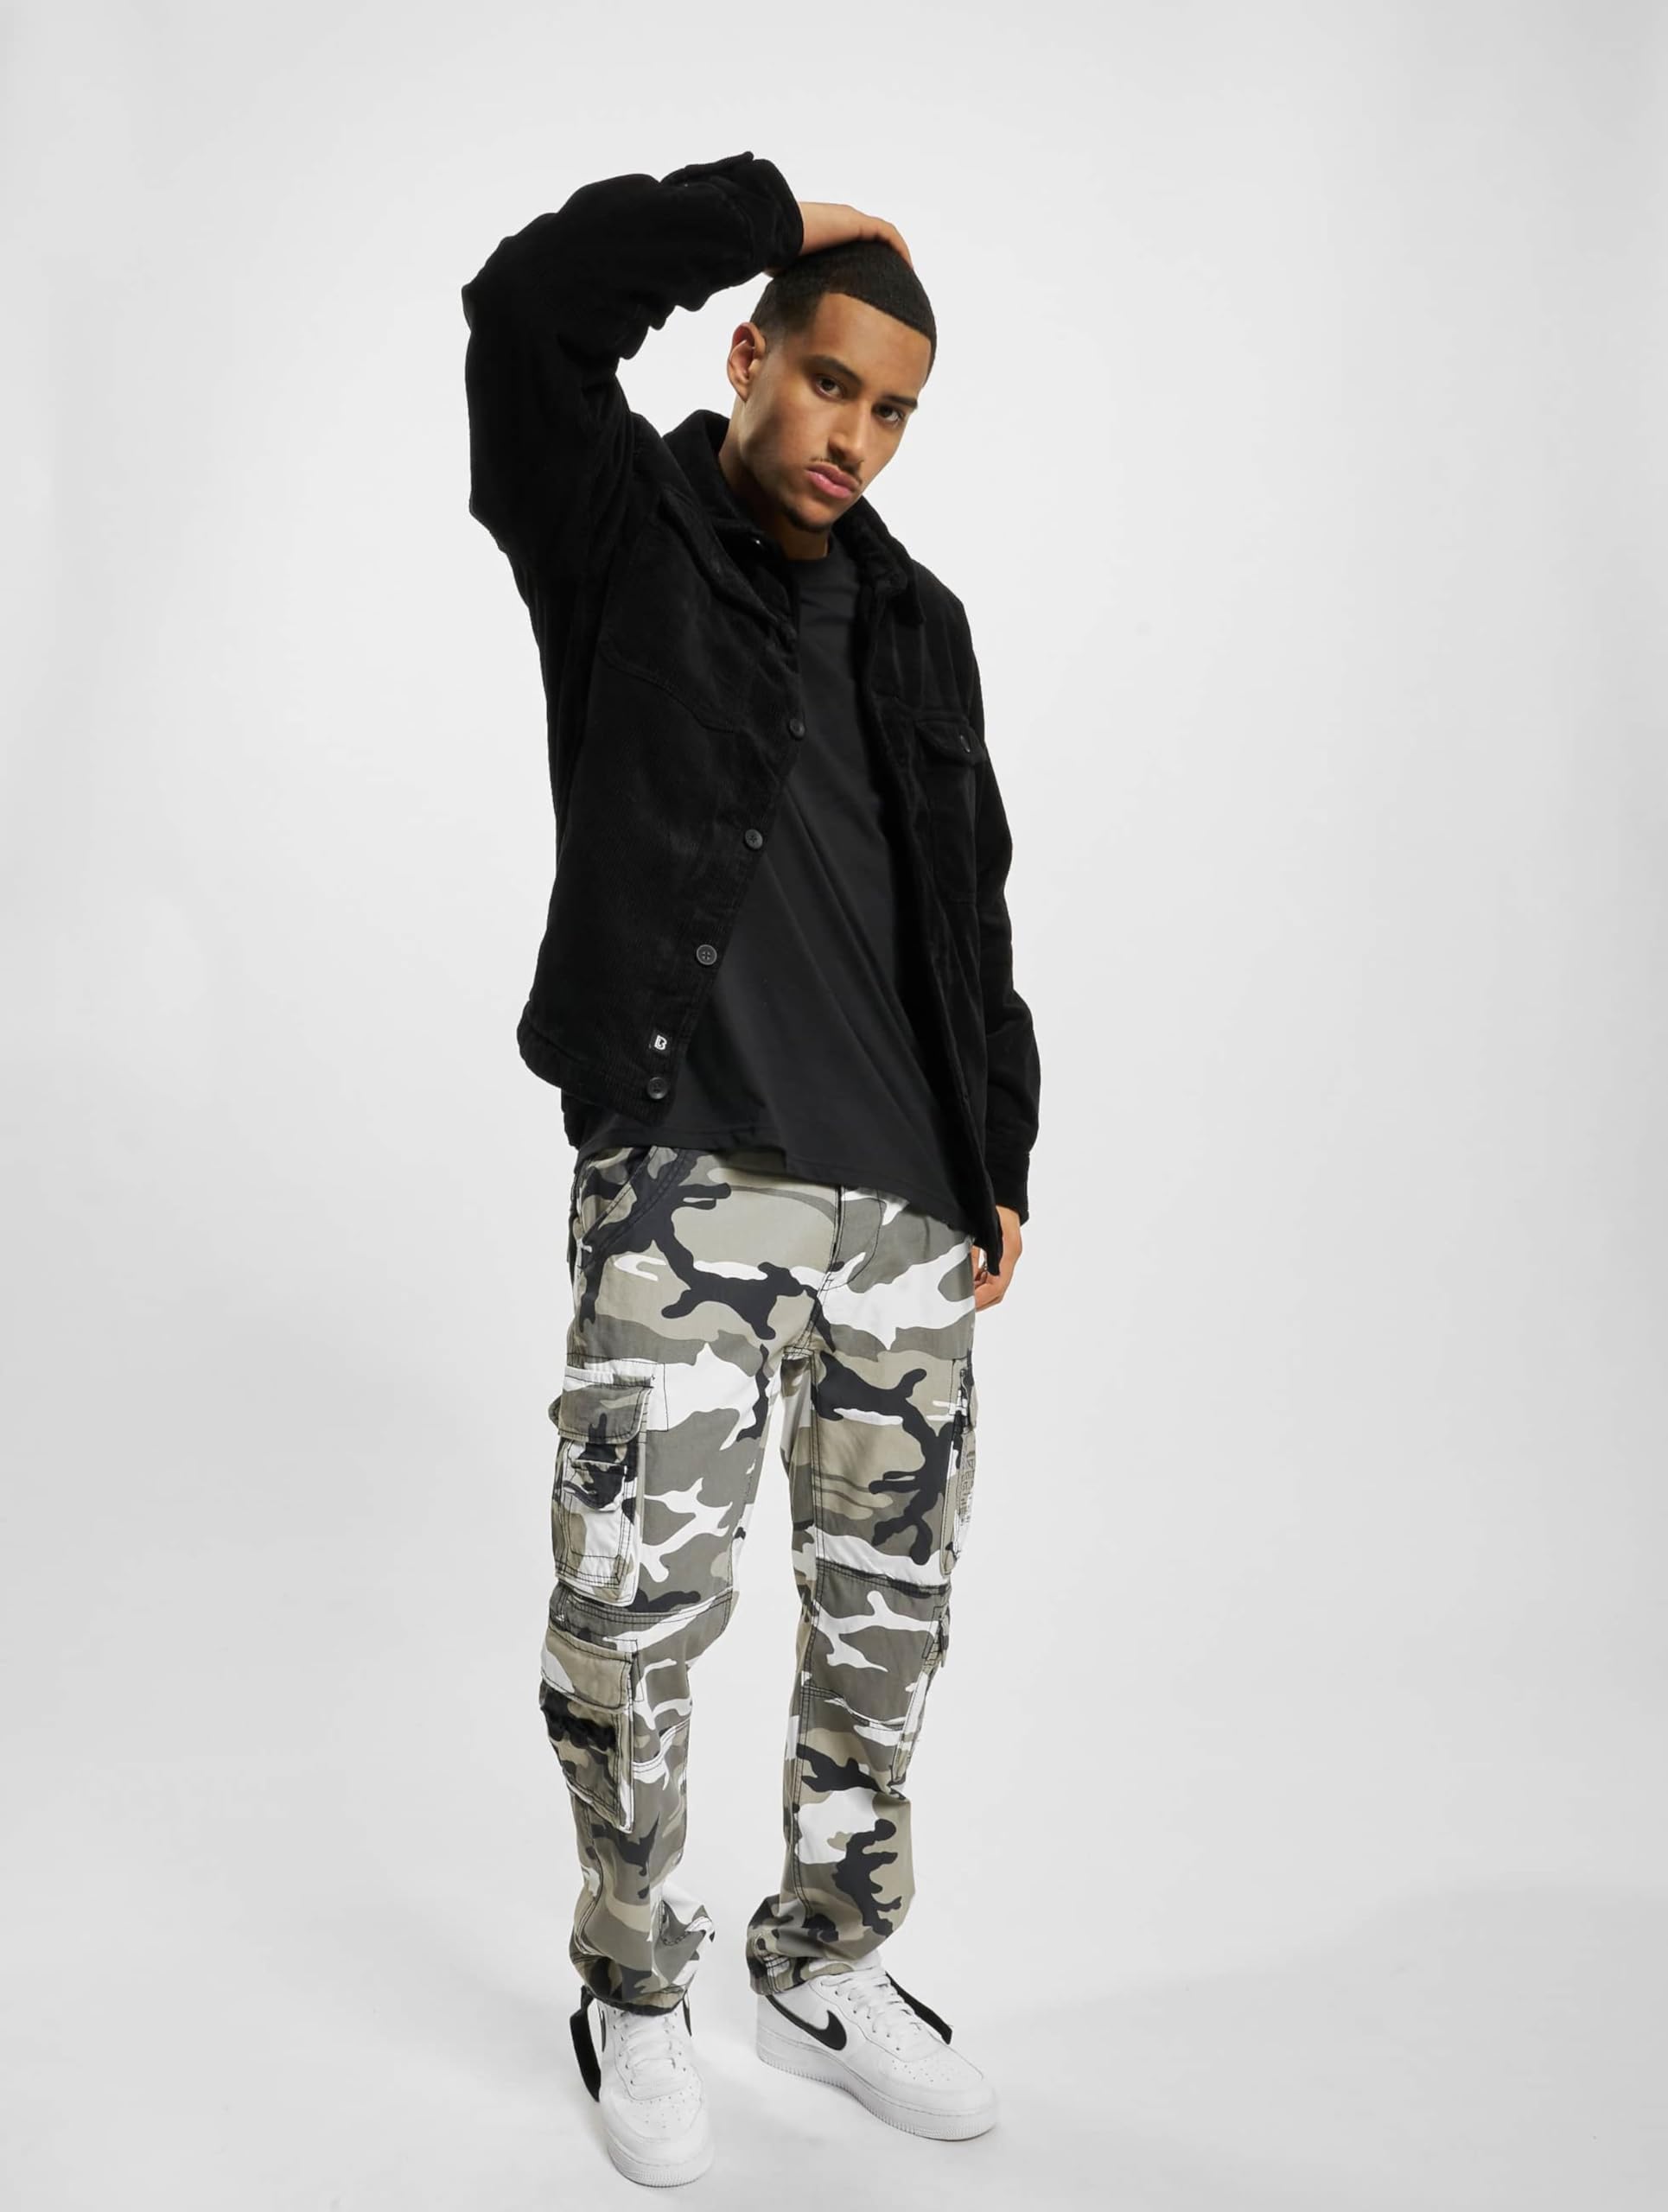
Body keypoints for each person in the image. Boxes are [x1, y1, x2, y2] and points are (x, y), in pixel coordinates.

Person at [460, 149, 1041, 2188]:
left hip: (903, 1212)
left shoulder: (919, 623)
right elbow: (525, 306)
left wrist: (994, 1149)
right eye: (825, 383)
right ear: (747, 356)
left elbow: (962, 904)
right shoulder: (617, 525)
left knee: (885, 1623)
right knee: (631, 1611)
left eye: (889, 413)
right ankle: (633, 1982)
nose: (849, 437)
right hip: (684, 1187)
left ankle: (821, 1963)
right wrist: (777, 209)